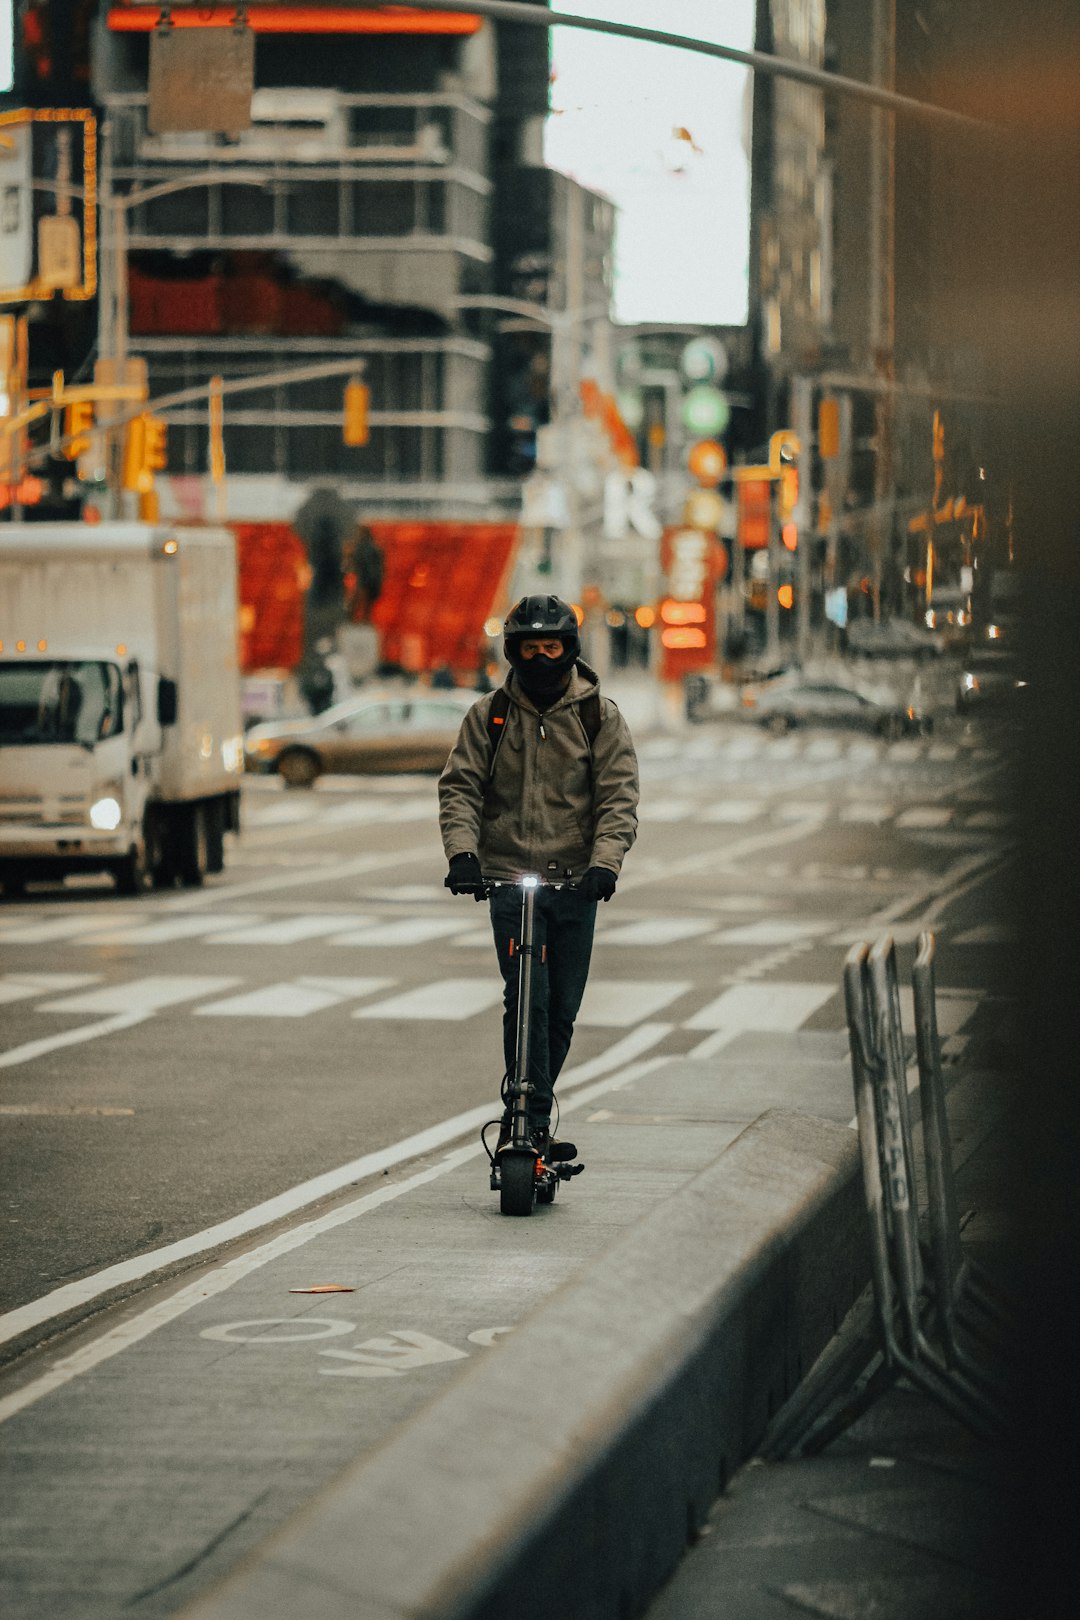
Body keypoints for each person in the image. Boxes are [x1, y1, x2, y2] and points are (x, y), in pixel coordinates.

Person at [439, 594, 639, 1159]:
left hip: (577, 884)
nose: (542, 658)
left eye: (552, 647)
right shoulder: (489, 715)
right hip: (508, 880)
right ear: (514, 651)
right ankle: (523, 1114)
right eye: (530, 648)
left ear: (569, 649)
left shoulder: (599, 716)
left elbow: (618, 798)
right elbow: (461, 787)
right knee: (527, 995)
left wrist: (604, 864)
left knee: (562, 1009)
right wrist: (462, 857)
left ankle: (535, 1113)